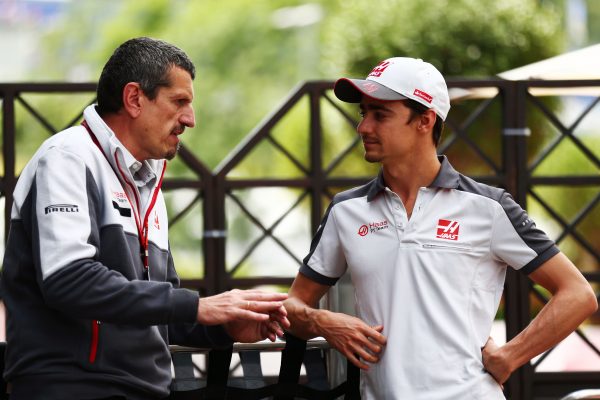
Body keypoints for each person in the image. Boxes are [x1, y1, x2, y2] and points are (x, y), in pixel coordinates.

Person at [284, 57, 597, 399]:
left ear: (424, 120)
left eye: (380, 115)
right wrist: (326, 324)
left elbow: (577, 295)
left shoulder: (488, 208)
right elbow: (294, 306)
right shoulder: (346, 211)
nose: (363, 127)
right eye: (363, 113)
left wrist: (510, 356)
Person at [0, 37, 290, 400]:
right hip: (72, 387)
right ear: (135, 98)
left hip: (146, 388)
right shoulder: (67, 157)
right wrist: (198, 305)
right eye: (180, 102)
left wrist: (226, 327)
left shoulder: (147, 178)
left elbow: (156, 309)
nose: (190, 119)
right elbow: (68, 279)